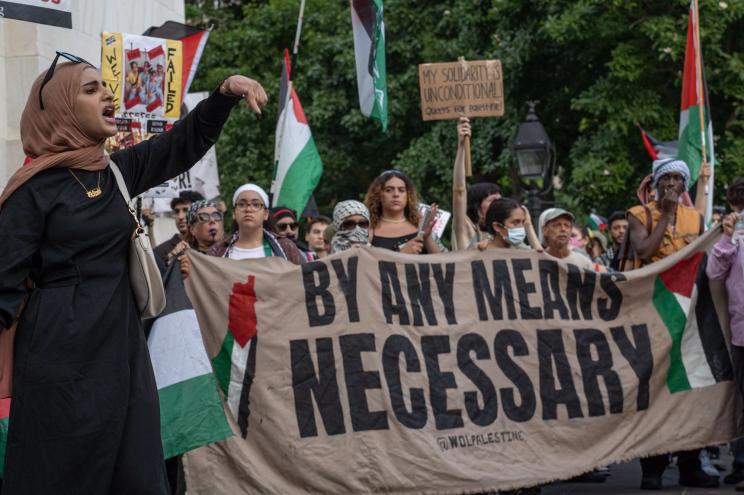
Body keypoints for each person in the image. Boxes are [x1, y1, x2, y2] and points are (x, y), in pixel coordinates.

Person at [0, 53, 267, 494]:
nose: (108, 93)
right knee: (62, 472)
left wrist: (223, 95)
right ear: (60, 108)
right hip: (58, 355)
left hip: (122, 348)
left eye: (105, 86)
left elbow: (183, 143)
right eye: (90, 89)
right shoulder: (32, 191)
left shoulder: (117, 172)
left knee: (135, 471)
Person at [627, 158, 713, 490]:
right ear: (657, 183)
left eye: (679, 178)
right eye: (667, 178)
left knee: (691, 389)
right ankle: (653, 468)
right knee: (656, 389)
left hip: (689, 313)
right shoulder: (639, 214)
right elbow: (645, 250)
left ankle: (691, 464)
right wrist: (664, 214)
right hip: (651, 312)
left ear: (686, 183)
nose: (673, 184)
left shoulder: (696, 218)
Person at [706, 178, 744, 489]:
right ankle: (742, 464)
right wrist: (728, 239)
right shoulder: (730, 239)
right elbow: (713, 274)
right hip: (741, 333)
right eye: (739, 207)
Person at [202, 184, 305, 264]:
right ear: (234, 213)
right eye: (242, 204)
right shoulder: (218, 251)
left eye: (255, 204)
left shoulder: (285, 247)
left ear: (265, 214)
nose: (248, 209)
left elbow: (302, 282)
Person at [451, 117, 504, 250]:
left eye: (500, 200)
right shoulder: (466, 228)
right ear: (478, 207)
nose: (499, 204)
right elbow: (459, 190)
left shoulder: (504, 233)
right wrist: (461, 144)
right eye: (492, 200)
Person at [364, 169, 443, 254]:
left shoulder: (421, 225)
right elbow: (363, 265)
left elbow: (444, 264)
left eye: (401, 190)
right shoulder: (367, 230)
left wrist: (427, 237)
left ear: (408, 195)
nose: (396, 194)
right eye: (389, 190)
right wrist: (401, 254)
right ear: (378, 195)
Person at [539, 208, 606, 272]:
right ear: (544, 230)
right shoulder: (537, 261)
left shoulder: (584, 263)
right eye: (557, 225)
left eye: (567, 225)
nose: (563, 229)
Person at [153, 190, 205, 263]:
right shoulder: (160, 251)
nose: (180, 217)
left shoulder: (211, 247)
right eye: (177, 211)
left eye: (186, 210)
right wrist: (170, 258)